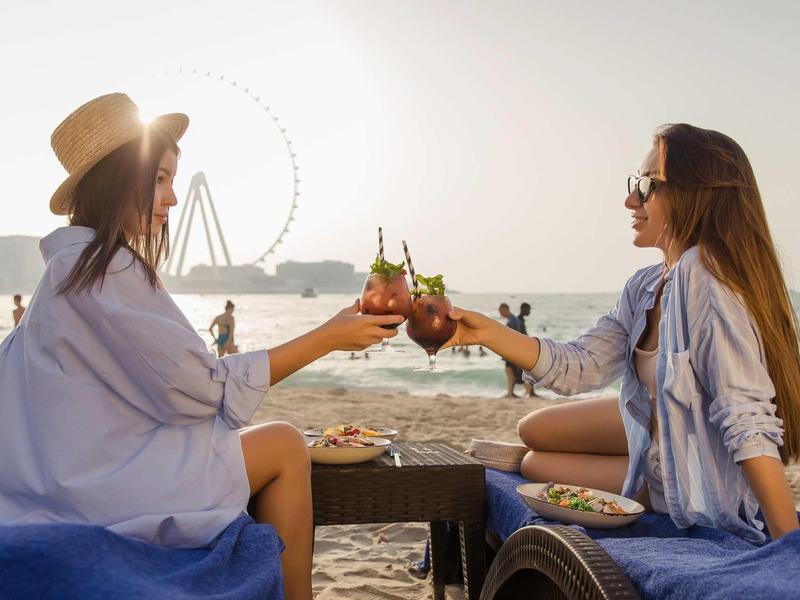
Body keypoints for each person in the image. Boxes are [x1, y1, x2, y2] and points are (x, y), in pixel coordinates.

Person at [0, 93, 403, 600]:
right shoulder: (106, 269)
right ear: (117, 178)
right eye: (160, 178)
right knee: (283, 443)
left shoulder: (63, 273)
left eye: (173, 180)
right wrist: (327, 338)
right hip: (106, 493)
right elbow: (200, 390)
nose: (171, 197)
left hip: (63, 481)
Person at [444, 124, 800, 544]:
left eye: (647, 186)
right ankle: (631, 460)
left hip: (692, 486)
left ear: (696, 194)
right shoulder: (646, 284)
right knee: (532, 434)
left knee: (535, 465)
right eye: (635, 184)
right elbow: (582, 366)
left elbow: (746, 417)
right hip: (659, 447)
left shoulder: (704, 275)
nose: (631, 200)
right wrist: (486, 332)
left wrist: (787, 544)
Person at [498, 303, 524, 397]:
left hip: (510, 351)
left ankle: (510, 393)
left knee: (509, 372)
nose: (500, 314)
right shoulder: (515, 320)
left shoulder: (511, 321)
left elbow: (509, 338)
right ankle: (511, 393)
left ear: (505, 309)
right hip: (514, 350)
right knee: (511, 372)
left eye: (501, 312)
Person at [517, 303, 536, 397]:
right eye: (528, 309)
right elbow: (520, 336)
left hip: (523, 349)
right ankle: (530, 392)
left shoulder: (521, 320)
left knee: (528, 371)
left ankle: (530, 392)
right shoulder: (519, 321)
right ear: (523, 309)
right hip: (522, 350)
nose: (529, 312)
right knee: (528, 370)